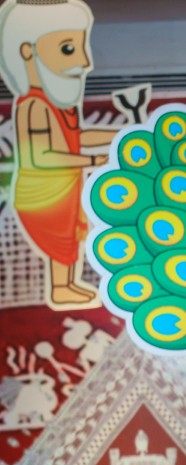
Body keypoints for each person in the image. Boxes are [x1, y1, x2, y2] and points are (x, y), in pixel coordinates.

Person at [0, 0, 112, 308]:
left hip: (65, 185)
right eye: (68, 49)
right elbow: (42, 157)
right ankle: (61, 287)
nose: (85, 63)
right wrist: (92, 161)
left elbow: (76, 139)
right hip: (42, 191)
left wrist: (119, 135)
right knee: (60, 240)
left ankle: (66, 284)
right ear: (27, 51)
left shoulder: (58, 104)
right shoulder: (33, 105)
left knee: (71, 237)